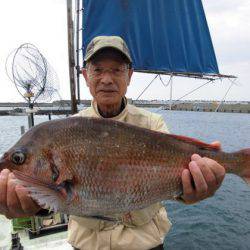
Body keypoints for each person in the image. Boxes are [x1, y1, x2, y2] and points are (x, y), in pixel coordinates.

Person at [0, 36, 226, 250]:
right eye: (97, 69)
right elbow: (52, 198)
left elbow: (176, 183)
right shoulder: (68, 128)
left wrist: (193, 191)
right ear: (85, 76)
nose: (107, 79)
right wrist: (33, 206)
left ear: (129, 75)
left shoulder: (152, 124)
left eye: (117, 70)